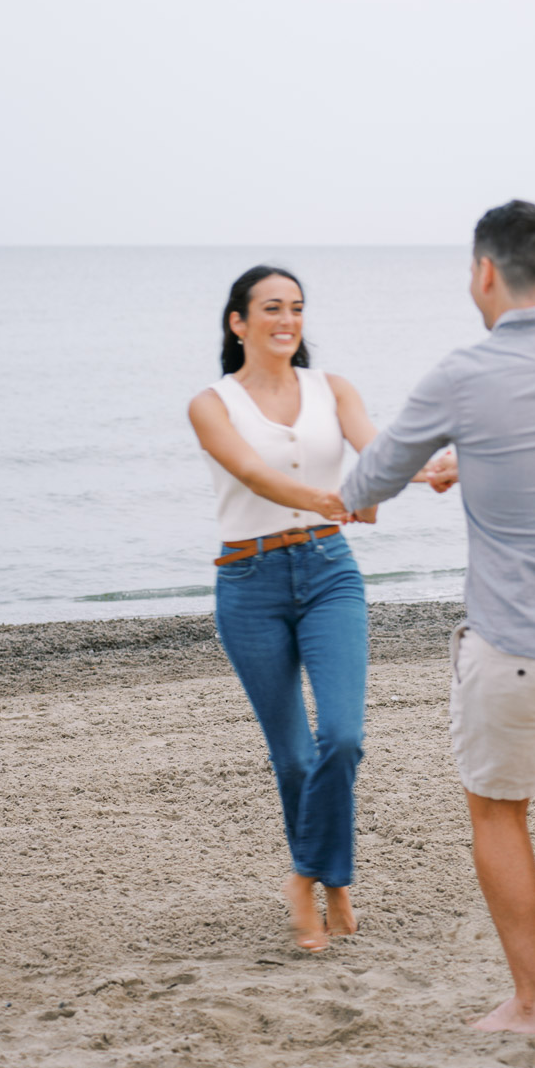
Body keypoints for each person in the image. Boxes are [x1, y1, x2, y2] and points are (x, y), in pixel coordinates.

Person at [340, 200, 535, 1052]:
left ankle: (531, 1000)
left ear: (484, 271)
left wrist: (409, 473)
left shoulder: (464, 373)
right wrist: (467, 460)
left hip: (517, 646)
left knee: (498, 808)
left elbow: (366, 479)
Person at [188, 263, 379, 954]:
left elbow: (374, 450)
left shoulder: (334, 389)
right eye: (271, 307)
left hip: (331, 572)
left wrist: (420, 469)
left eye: (296, 307)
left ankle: (309, 873)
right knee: (294, 756)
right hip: (249, 581)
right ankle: (331, 879)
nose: (287, 320)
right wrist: (329, 498)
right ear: (238, 322)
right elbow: (250, 471)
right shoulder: (211, 403)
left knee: (344, 737)